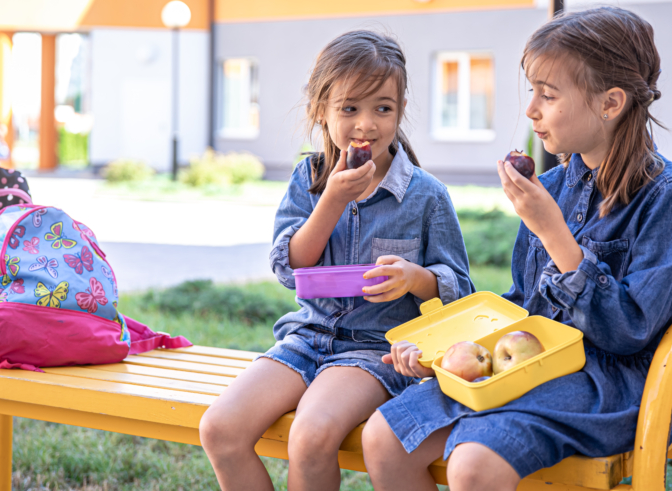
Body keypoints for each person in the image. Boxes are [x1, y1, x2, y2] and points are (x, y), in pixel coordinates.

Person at [362, 7, 672, 491]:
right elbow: (521, 305)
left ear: (610, 102)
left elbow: (630, 330)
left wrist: (554, 234)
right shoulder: (549, 187)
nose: (530, 110)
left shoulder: (667, 195)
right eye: (532, 92)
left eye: (547, 95)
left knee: (473, 465)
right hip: (528, 363)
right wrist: (447, 353)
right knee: (385, 438)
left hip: (611, 383)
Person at [199, 30, 474, 491]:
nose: (366, 124)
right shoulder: (308, 178)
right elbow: (290, 269)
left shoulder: (426, 195)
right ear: (320, 111)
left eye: (382, 108)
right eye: (349, 108)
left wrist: (414, 278)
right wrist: (331, 199)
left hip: (375, 350)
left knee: (310, 436)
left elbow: (459, 288)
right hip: (306, 338)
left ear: (401, 110)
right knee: (219, 428)